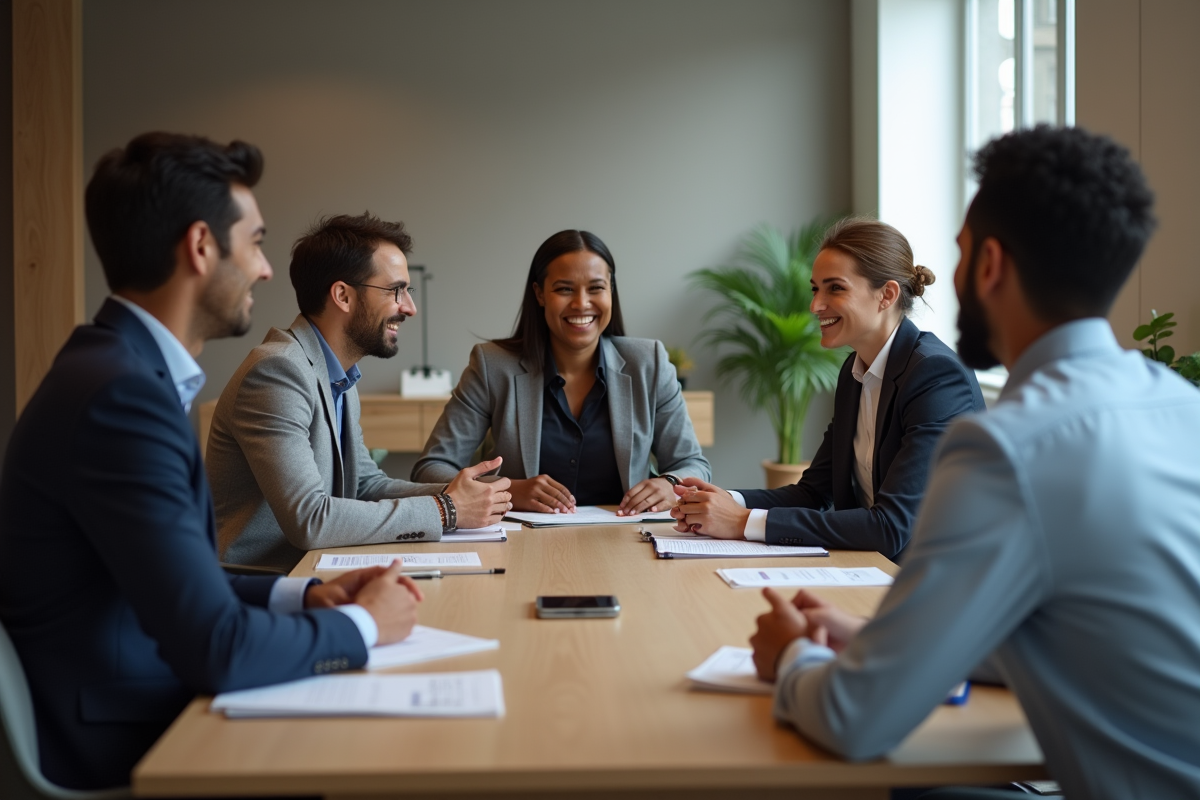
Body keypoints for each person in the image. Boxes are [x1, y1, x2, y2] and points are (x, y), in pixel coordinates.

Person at [749, 126, 1200, 799]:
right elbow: (1103, 640)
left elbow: (854, 718)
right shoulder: (1183, 408)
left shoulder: (1006, 449)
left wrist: (791, 655)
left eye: (959, 254)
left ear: (989, 264)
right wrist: (879, 637)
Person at [0, 133, 425, 791]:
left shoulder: (120, 371)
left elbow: (182, 582)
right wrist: (364, 625)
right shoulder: (121, 397)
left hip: (146, 694)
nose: (265, 269)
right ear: (200, 247)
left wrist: (306, 594)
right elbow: (216, 646)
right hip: (127, 733)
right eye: (254, 243)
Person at [208, 213, 512, 571]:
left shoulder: (338, 375)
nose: (409, 307)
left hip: (318, 571)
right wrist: (446, 510)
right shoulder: (277, 372)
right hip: (260, 585)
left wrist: (461, 495)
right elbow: (310, 519)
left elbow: (365, 484)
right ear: (343, 296)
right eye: (396, 290)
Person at [670, 218, 984, 559]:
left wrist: (742, 521)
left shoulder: (935, 375)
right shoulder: (854, 372)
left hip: (943, 578)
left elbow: (891, 527)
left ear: (887, 295)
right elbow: (813, 493)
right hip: (875, 569)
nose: (815, 305)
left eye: (835, 288)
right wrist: (725, 501)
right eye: (815, 289)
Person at [412, 229, 710, 515]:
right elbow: (430, 469)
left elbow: (693, 465)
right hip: (521, 540)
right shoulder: (492, 365)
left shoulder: (649, 362)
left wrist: (670, 484)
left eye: (596, 288)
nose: (581, 303)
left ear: (611, 291)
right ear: (540, 294)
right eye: (565, 289)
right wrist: (508, 490)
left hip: (625, 536)